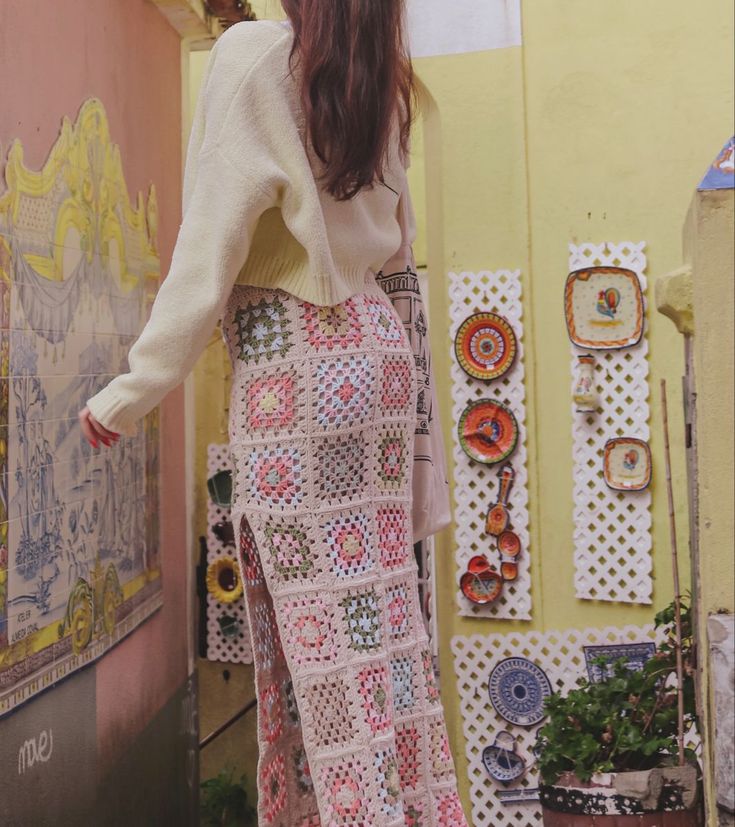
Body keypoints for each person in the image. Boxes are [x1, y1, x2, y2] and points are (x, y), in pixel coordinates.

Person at [79, 2, 468, 823]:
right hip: (379, 361)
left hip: (296, 369)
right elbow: (401, 256)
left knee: (318, 654)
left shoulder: (254, 55)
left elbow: (207, 248)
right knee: (381, 633)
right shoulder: (381, 79)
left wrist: (134, 388)